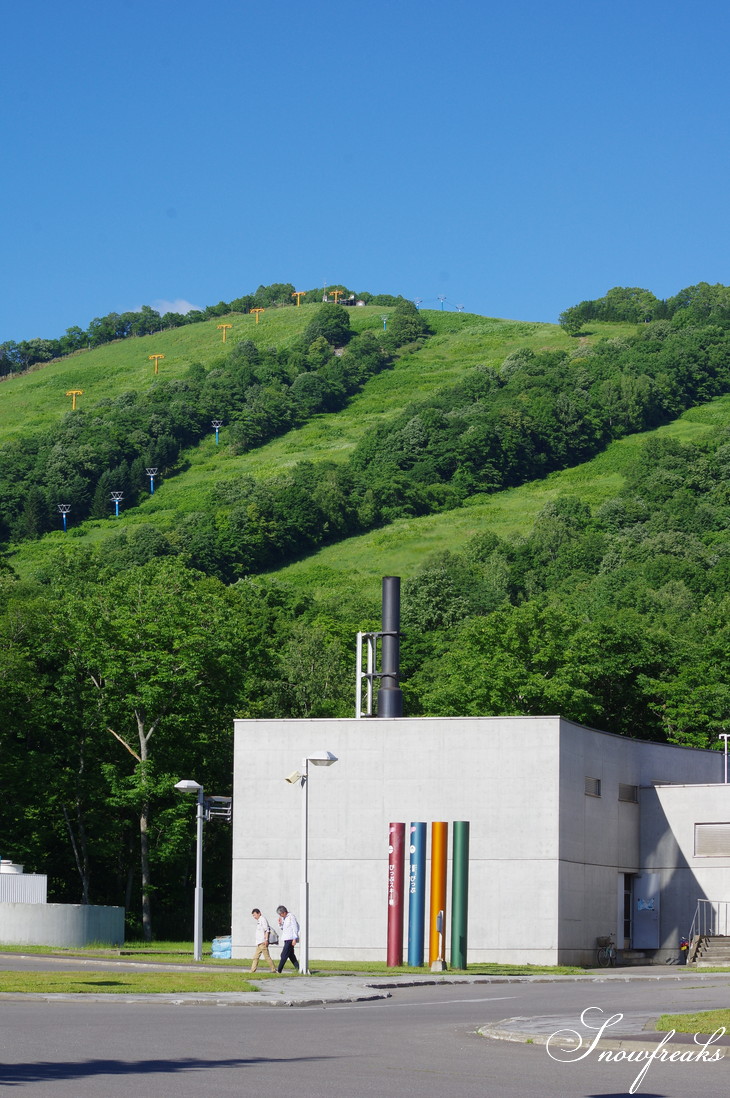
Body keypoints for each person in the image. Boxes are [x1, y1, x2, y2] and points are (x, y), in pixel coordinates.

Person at [250, 908, 276, 973]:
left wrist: (266, 940)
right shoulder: (259, 920)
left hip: (263, 942)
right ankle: (252, 970)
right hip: (259, 943)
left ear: (259, 913)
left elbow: (267, 930)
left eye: (255, 915)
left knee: (267, 957)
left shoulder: (263, 919)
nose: (254, 917)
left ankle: (273, 970)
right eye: (253, 915)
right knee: (255, 957)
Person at [276, 905, 300, 973]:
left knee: (283, 955)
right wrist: (280, 924)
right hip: (286, 938)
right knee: (291, 955)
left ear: (284, 912)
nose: (280, 915)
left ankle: (279, 970)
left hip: (291, 938)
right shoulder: (284, 918)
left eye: (281, 914)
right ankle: (298, 968)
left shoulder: (291, 917)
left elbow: (295, 927)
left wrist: (295, 938)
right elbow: (283, 928)